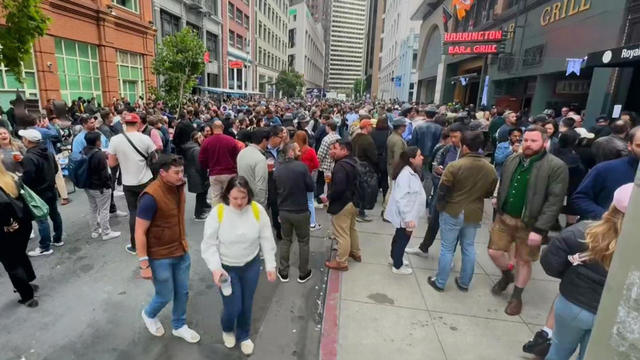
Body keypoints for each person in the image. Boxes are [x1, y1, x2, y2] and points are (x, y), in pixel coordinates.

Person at [541, 183, 632, 360]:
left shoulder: (583, 231)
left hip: (571, 304)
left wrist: (570, 274)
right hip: (609, 313)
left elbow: (550, 262)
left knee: (558, 350)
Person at [488, 126, 569, 316]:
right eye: (526, 140)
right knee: (493, 251)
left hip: (531, 224)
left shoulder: (556, 166)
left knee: (524, 261)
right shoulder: (512, 159)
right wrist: (498, 202)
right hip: (505, 217)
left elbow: (554, 202)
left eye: (534, 141)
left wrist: (540, 230)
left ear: (545, 142)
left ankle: (517, 296)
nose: (528, 144)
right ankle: (508, 274)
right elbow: (503, 184)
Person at [201, 176, 277, 356]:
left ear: (248, 194)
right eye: (235, 198)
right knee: (233, 307)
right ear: (227, 195)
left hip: (251, 265)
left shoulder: (257, 210)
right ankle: (227, 328)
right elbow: (208, 244)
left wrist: (270, 265)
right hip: (227, 269)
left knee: (246, 304)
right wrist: (215, 268)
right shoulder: (218, 212)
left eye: (243, 198)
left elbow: (266, 238)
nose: (239, 202)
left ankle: (244, 335)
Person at [135, 155, 200, 344]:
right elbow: (139, 231)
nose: (181, 176)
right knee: (164, 295)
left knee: (183, 292)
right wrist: (144, 264)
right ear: (162, 173)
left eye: (182, 171)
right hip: (160, 256)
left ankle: (179, 326)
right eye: (176, 172)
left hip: (180, 249)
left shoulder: (178, 186)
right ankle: (149, 314)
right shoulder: (150, 196)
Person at [426, 131, 498, 291]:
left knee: (447, 248)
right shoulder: (490, 169)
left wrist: (439, 207)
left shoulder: (455, 166)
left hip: (453, 210)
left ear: (464, 147)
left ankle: (440, 281)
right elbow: (488, 192)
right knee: (468, 247)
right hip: (474, 212)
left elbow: (443, 191)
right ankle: (464, 282)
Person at [405, 122, 466, 257]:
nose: (453, 140)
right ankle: (424, 247)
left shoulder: (467, 152)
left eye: (456, 137)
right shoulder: (447, 149)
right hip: (442, 191)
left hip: (458, 197)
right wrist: (438, 170)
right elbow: (436, 164)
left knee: (452, 229)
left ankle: (449, 255)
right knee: (434, 221)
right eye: (451, 137)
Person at [108, 113, 157, 254]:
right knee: (149, 211)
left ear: (124, 124)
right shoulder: (145, 139)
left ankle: (135, 245)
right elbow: (155, 159)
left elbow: (111, 163)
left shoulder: (115, 140)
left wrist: (122, 159)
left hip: (128, 183)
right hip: (146, 180)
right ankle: (151, 241)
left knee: (134, 213)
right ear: (137, 124)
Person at [571, 126, 639, 220]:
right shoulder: (605, 169)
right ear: (629, 145)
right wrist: (605, 216)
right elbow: (580, 198)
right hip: (604, 229)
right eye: (639, 145)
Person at [20, 129, 64, 256]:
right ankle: (58, 238)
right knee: (54, 214)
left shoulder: (29, 157)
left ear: (28, 141)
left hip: (38, 192)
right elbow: (55, 169)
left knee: (41, 219)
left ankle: (45, 246)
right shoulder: (48, 152)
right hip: (50, 188)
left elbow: (28, 177)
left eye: (24, 138)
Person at [274, 143, 314, 282]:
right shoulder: (302, 167)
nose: (300, 152)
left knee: (286, 240)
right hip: (301, 210)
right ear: (290, 152)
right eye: (297, 150)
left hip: (284, 210)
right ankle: (303, 272)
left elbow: (275, 189)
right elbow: (310, 187)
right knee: (303, 242)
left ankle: (283, 271)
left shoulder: (277, 169)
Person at [0, 161, 38, 307]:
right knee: (20, 254)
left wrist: (8, 223)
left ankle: (27, 295)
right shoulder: (9, 177)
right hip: (22, 221)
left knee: (11, 263)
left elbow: (2, 206)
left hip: (7, 228)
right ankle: (29, 281)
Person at [383, 146, 426, 275]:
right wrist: (408, 219)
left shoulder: (409, 171)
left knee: (399, 236)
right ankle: (397, 265)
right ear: (412, 159)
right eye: (419, 155)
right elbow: (401, 199)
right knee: (402, 239)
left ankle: (395, 257)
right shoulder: (405, 175)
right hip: (406, 215)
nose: (422, 157)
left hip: (408, 214)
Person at [324, 140, 360, 271]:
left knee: (341, 234)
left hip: (343, 204)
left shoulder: (340, 166)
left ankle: (341, 262)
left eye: (335, 148)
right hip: (354, 201)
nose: (331, 151)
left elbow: (338, 188)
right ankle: (355, 252)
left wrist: (328, 197)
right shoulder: (354, 161)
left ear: (345, 150)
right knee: (351, 229)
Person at [83, 131, 120, 240]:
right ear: (97, 141)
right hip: (100, 186)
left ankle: (94, 231)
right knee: (104, 209)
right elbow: (104, 173)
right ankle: (106, 232)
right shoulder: (98, 155)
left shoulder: (84, 151)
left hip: (88, 185)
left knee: (93, 208)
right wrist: (108, 185)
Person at [199, 120, 240, 206]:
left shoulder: (206, 142)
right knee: (230, 196)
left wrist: (208, 167)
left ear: (212, 129)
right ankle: (230, 215)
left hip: (214, 173)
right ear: (223, 128)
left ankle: (217, 217)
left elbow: (202, 159)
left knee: (216, 197)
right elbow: (238, 155)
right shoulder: (231, 140)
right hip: (230, 172)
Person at [409, 106, 442, 197]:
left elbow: (412, 144)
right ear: (435, 115)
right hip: (432, 156)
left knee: (417, 175)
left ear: (425, 114)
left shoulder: (418, 127)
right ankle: (425, 197)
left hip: (419, 155)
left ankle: (415, 194)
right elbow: (440, 144)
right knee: (428, 178)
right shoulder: (439, 128)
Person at [293, 130, 320, 230]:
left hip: (295, 179)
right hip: (307, 178)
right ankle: (312, 223)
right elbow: (316, 165)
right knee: (310, 201)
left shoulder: (294, 151)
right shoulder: (310, 150)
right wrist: (310, 168)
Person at [237, 128, 269, 209]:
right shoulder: (260, 158)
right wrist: (261, 206)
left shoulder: (242, 153)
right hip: (255, 202)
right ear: (264, 141)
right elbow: (261, 185)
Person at [183, 131, 211, 220]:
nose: (202, 138)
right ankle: (198, 214)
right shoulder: (197, 150)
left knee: (201, 193)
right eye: (200, 137)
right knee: (201, 194)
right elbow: (199, 165)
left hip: (192, 173)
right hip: (197, 174)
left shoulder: (190, 147)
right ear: (197, 139)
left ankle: (202, 209)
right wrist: (205, 173)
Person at [266, 126, 287, 240]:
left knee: (277, 208)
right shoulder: (264, 150)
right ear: (273, 137)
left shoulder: (282, 149)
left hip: (279, 183)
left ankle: (278, 229)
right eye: (280, 137)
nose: (282, 139)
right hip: (267, 183)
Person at [383, 118, 407, 213]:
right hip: (395, 168)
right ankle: (386, 210)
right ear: (401, 127)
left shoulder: (392, 136)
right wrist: (398, 170)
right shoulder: (398, 140)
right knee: (392, 190)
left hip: (391, 165)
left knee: (392, 189)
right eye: (404, 126)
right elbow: (398, 157)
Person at [316, 120, 341, 203]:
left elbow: (321, 153)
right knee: (331, 182)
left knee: (323, 183)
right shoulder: (338, 137)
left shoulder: (326, 139)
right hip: (335, 163)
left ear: (329, 127)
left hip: (325, 165)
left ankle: (323, 199)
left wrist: (317, 162)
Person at [371, 115, 390, 205]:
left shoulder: (373, 132)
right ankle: (384, 198)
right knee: (384, 178)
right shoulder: (389, 133)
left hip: (374, 157)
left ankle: (373, 197)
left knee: (375, 178)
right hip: (384, 157)